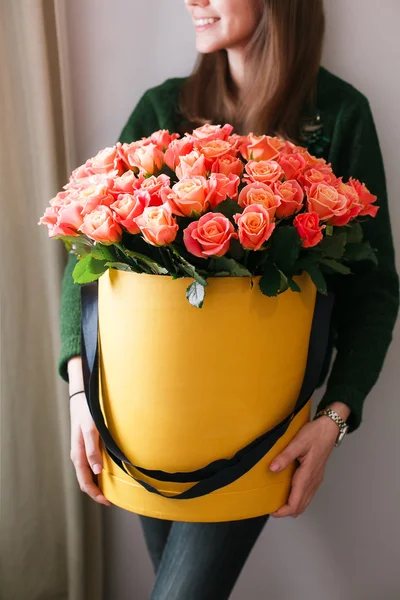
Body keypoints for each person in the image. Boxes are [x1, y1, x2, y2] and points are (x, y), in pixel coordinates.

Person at [61, 1, 399, 598]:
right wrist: (80, 391)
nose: (194, 0)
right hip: (143, 408)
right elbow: (88, 256)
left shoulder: (340, 115)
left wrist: (334, 418)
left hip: (256, 424)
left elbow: (372, 289)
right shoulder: (163, 110)